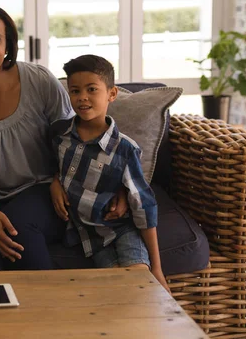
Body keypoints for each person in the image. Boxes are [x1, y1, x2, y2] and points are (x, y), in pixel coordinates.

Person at [0, 0, 127, 272]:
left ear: (8, 44)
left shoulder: (39, 81)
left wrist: (102, 183)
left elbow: (78, 141)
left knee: (19, 229)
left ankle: (47, 311)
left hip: (44, 186)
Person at [50, 54, 170, 292]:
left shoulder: (125, 149)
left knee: (138, 282)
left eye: (91, 89)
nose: (82, 97)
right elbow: (51, 167)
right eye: (75, 91)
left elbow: (144, 206)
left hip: (122, 230)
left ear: (111, 94)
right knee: (115, 288)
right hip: (92, 238)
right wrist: (54, 181)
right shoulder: (60, 136)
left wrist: (157, 269)